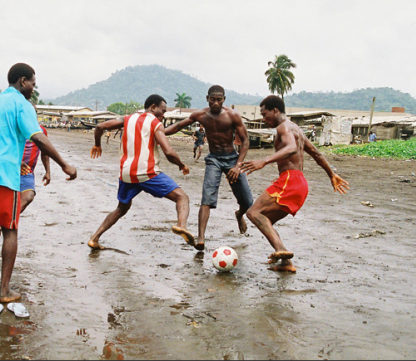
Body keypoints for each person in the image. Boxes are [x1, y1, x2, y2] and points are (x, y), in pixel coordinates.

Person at [0, 63, 77, 303]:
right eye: (32, 83)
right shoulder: (22, 104)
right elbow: (38, 137)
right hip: (3, 173)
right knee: (10, 229)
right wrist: (64, 164)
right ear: (23, 81)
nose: (33, 88)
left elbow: (0, 135)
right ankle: (4, 290)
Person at [241, 96, 350, 273]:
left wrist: (264, 160)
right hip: (300, 184)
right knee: (265, 220)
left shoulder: (283, 127)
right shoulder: (296, 128)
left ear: (275, 110)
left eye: (264, 114)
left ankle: (280, 250)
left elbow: (291, 148)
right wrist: (331, 174)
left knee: (253, 213)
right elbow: (316, 153)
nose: (263, 118)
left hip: (289, 181)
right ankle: (286, 263)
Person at [88, 94, 193, 250]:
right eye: (162, 111)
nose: (163, 116)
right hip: (147, 173)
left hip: (126, 174)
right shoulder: (155, 123)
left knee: (121, 209)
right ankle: (181, 225)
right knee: (182, 197)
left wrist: (97, 144)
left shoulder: (127, 119)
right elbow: (168, 151)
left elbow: (100, 127)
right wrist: (181, 164)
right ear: (152, 107)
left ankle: (94, 238)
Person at [165, 85, 253, 251]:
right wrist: (159, 132)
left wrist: (238, 165)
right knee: (207, 197)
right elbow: (178, 126)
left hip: (232, 158)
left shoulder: (232, 115)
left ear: (224, 100)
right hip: (214, 159)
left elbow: (245, 141)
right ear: (207, 98)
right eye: (213, 99)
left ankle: (239, 214)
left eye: (219, 99)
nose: (216, 103)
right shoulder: (201, 115)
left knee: (247, 202)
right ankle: (201, 238)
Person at [0, 124, 51, 237]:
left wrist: (47, 171)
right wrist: (16, 162)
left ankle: (4, 222)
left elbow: (45, 152)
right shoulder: (12, 128)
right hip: (8, 170)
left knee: (28, 196)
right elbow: (0, 149)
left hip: (26, 173)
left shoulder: (41, 131)